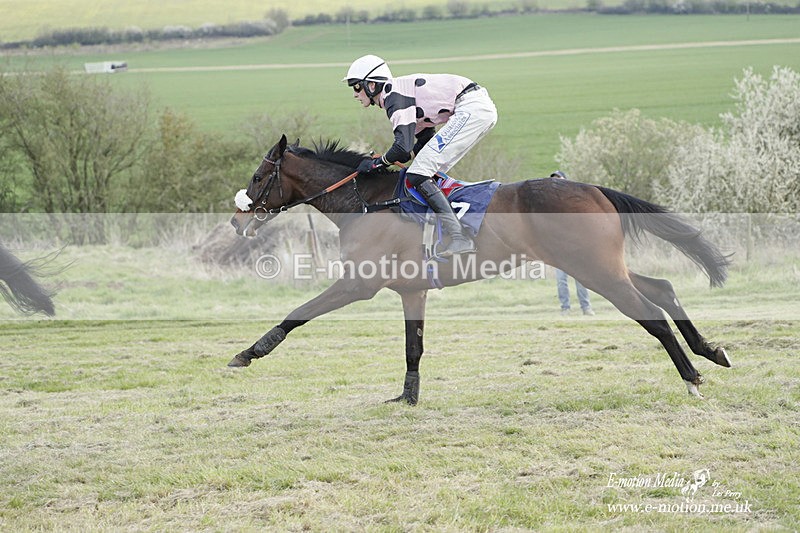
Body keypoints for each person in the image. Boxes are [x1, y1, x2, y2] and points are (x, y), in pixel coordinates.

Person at [343, 54, 498, 257]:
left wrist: (377, 164)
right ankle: (448, 230)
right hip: (476, 108)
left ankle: (460, 237)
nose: (355, 94)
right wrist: (388, 159)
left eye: (356, 87)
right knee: (425, 173)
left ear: (371, 85)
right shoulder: (397, 94)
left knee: (418, 173)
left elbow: (402, 148)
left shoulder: (394, 97)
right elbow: (421, 141)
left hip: (471, 108)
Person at [550, 170, 595, 316]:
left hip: (577, 248)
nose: (557, 183)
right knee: (561, 281)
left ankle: (586, 307)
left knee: (581, 279)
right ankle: (565, 308)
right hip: (559, 249)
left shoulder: (574, 200)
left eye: (559, 179)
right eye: (554, 181)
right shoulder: (550, 204)